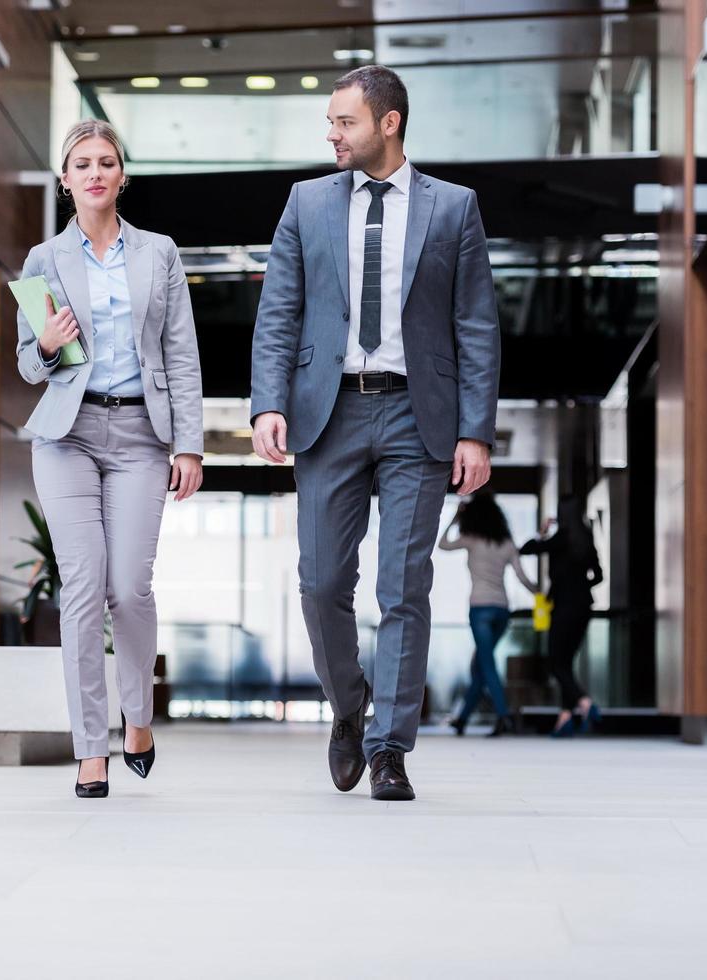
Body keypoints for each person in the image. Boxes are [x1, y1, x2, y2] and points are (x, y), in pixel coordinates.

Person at [250, 65, 500, 802]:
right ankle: (349, 705)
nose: (331, 133)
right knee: (322, 580)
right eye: (330, 121)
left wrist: (475, 431)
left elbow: (475, 326)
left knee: (404, 587)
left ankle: (390, 748)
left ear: (387, 123)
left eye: (344, 121)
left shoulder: (452, 209)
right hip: (328, 414)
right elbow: (280, 314)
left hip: (416, 417)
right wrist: (269, 402)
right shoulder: (305, 204)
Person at [16, 120, 204, 798]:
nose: (95, 172)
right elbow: (29, 365)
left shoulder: (159, 254)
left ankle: (138, 719)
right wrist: (44, 344)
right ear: (65, 181)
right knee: (81, 590)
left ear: (122, 175)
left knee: (129, 588)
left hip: (140, 439)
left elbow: (180, 353)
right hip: (67, 434)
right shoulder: (43, 261)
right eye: (81, 164)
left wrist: (189, 442)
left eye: (106, 161)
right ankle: (89, 750)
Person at [438, 492, 537, 737]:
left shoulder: (471, 539)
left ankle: (504, 716)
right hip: (502, 611)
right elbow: (522, 577)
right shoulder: (506, 543)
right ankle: (461, 720)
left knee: (486, 664)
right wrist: (540, 592)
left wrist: (455, 517)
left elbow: (442, 544)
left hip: (480, 608)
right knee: (481, 665)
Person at [520, 496, 604, 738]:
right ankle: (565, 718)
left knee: (555, 663)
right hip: (584, 607)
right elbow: (599, 576)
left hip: (564, 608)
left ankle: (585, 703)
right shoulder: (586, 540)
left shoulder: (559, 539)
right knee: (566, 663)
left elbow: (527, 549)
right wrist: (580, 585)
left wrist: (542, 532)